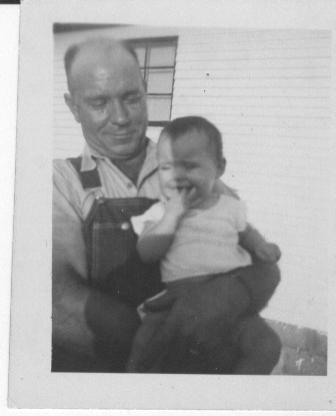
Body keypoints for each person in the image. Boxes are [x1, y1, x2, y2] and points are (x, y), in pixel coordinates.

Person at [52, 37, 281, 373]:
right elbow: (60, 297)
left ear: (145, 92)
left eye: (131, 98)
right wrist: (172, 338)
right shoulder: (61, 180)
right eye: (99, 102)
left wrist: (232, 294)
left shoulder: (189, 164)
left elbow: (262, 264)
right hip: (116, 367)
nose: (120, 118)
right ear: (74, 107)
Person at [126, 116, 281, 373]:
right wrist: (172, 216)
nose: (177, 176)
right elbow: (147, 252)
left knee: (267, 345)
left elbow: (246, 232)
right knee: (147, 348)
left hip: (232, 299)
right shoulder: (160, 212)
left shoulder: (231, 207)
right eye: (166, 167)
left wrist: (260, 246)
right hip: (177, 299)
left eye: (189, 166)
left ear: (219, 168)